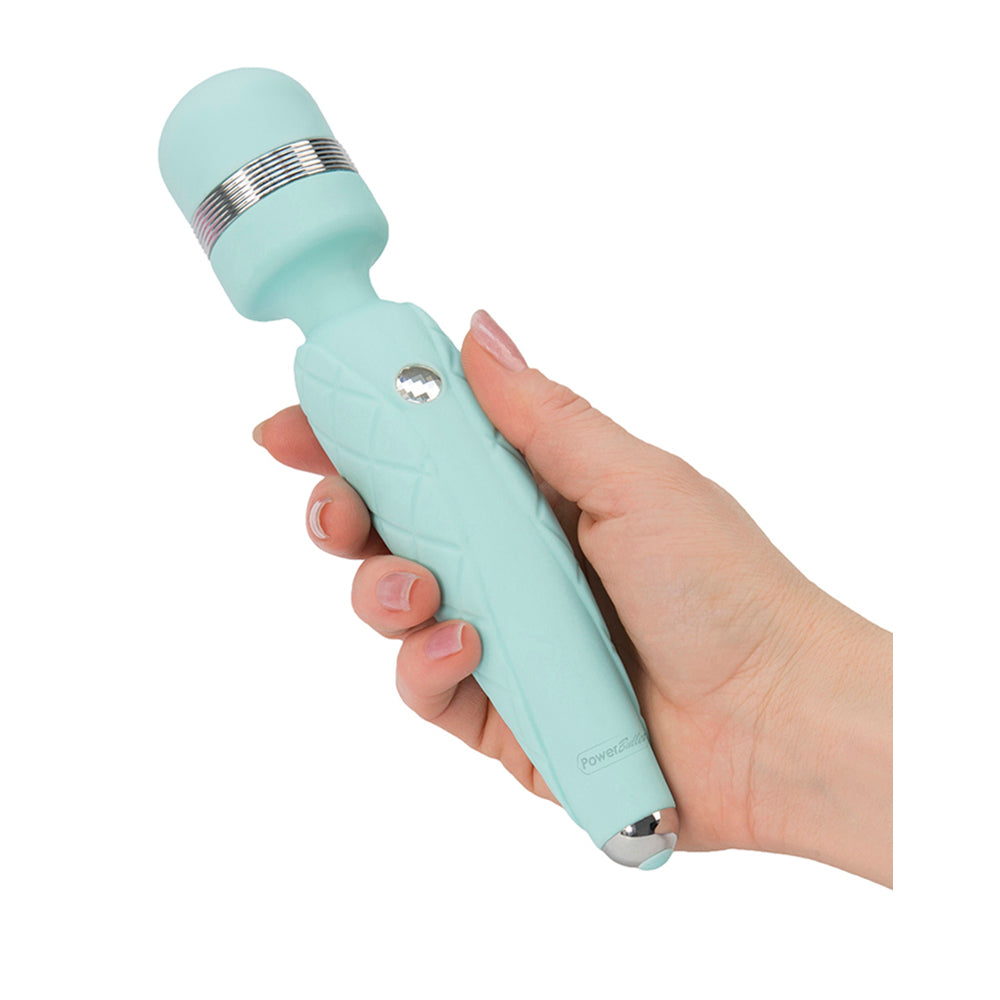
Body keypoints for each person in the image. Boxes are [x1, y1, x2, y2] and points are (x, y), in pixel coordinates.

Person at [252, 309, 893, 887]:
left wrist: (773, 696)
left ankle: (624, 794)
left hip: (629, 789)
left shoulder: (338, 358)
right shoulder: (367, 344)